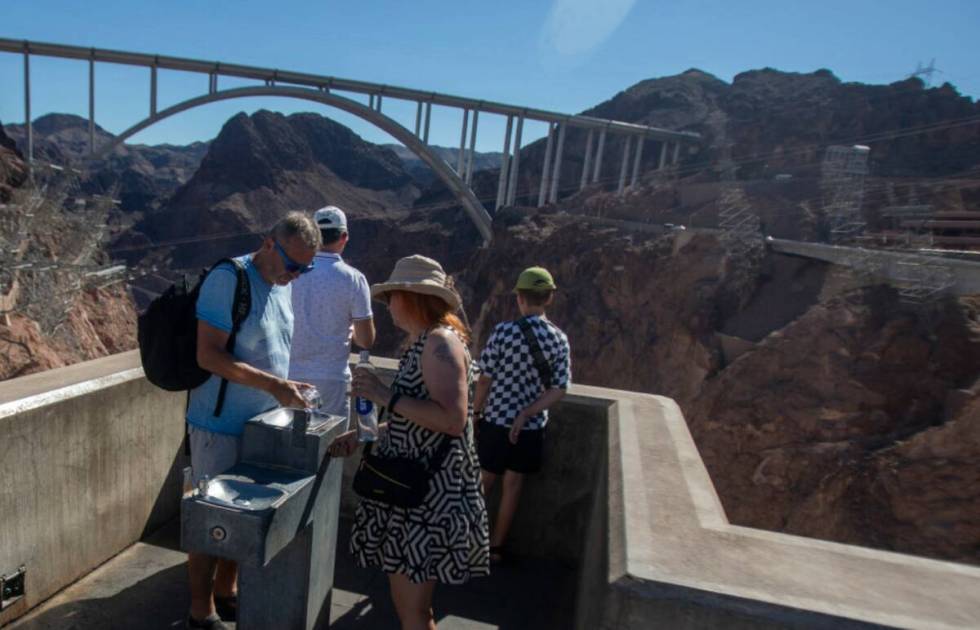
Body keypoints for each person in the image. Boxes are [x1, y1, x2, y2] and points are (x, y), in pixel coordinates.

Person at [329, 255, 489, 630]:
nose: (389, 307)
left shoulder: (439, 344)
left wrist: (385, 396)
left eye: (393, 297)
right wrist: (368, 434)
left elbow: (452, 420)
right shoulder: (425, 342)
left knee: (415, 611)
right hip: (412, 491)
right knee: (408, 607)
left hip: (426, 500)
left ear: (414, 297)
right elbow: (417, 423)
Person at [185, 212, 321, 630]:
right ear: (268, 244)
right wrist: (275, 386)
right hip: (219, 426)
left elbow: (269, 351)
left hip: (261, 428)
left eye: (306, 268)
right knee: (211, 523)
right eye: (293, 264)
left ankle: (227, 591)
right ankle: (200, 610)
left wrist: (285, 385)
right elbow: (208, 355)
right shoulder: (230, 280)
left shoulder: (281, 286)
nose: (296, 275)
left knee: (243, 521)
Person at [473, 266, 571, 565]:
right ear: (549, 298)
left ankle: (464, 539)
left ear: (520, 298)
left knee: (484, 481)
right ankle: (496, 548)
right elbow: (559, 388)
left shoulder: (505, 332)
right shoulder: (559, 339)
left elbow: (484, 378)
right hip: (530, 427)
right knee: (513, 486)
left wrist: (476, 410)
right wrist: (527, 412)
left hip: (497, 420)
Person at [289, 205, 375, 420]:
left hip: (287, 377)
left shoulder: (290, 271)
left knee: (284, 447)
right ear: (344, 237)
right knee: (327, 446)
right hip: (331, 380)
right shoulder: (354, 279)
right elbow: (366, 340)